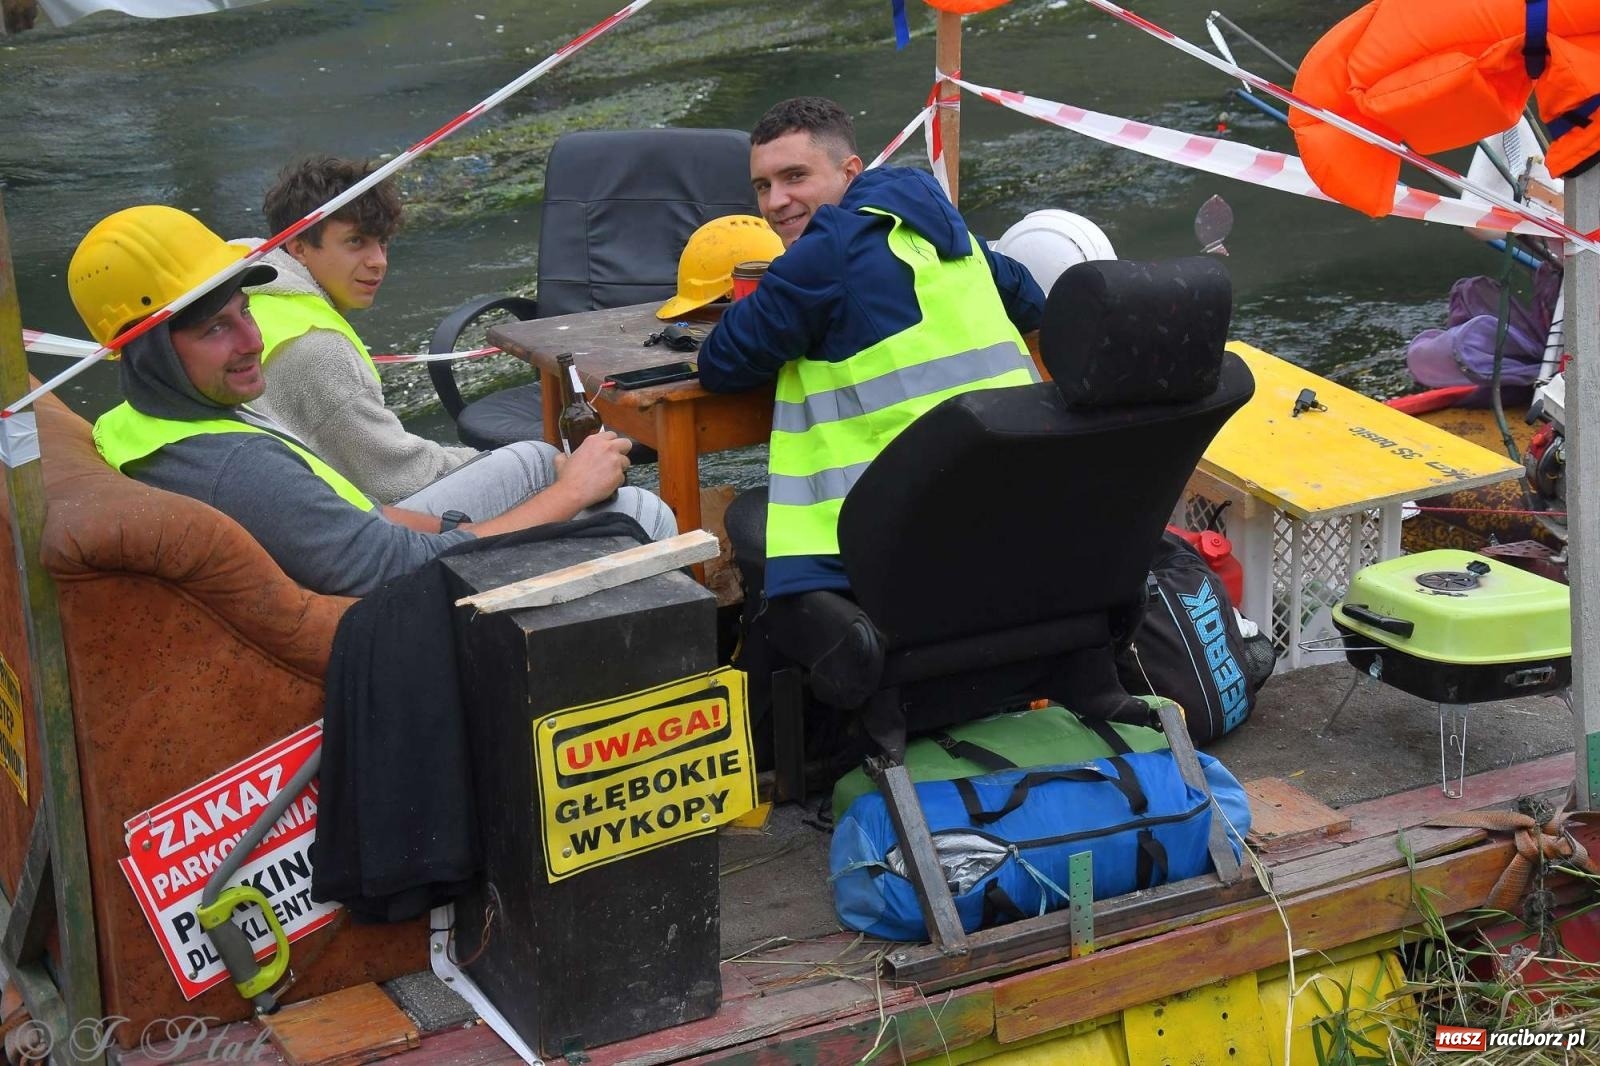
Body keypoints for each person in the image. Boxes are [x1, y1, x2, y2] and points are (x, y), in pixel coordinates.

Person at [71, 205, 675, 598]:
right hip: (406, 609)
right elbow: (401, 567)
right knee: (640, 515)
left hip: (380, 551)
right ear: (145, 348)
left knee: (533, 462)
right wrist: (567, 499)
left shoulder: (147, 417)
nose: (251, 340)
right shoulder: (235, 469)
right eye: (214, 329)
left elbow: (351, 512)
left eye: (245, 312)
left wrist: (466, 515)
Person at [700, 96, 1046, 599]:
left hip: (898, 539)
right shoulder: (942, 230)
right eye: (762, 186)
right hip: (1020, 506)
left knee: (750, 518)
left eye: (795, 177)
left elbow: (720, 363)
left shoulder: (826, 252)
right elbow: (1031, 301)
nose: (775, 202)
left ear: (850, 171)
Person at [246, 156, 504, 506]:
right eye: (356, 241)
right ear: (299, 247)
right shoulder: (317, 348)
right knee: (537, 465)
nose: (379, 261)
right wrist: (501, 461)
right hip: (303, 532)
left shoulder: (244, 294)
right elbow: (399, 477)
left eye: (382, 242)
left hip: (258, 508)